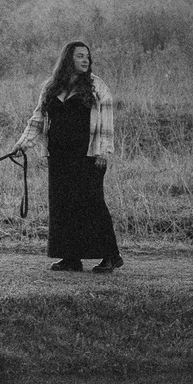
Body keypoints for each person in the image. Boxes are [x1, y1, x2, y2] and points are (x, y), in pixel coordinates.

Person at [14, 41, 123, 273]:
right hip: (59, 156)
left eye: (87, 57)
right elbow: (38, 119)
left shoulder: (97, 87)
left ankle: (111, 256)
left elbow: (107, 123)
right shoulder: (51, 87)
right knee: (63, 205)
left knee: (92, 205)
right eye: (80, 56)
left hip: (88, 156)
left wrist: (103, 151)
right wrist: (22, 145)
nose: (85, 60)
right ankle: (70, 258)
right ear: (68, 59)